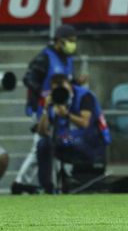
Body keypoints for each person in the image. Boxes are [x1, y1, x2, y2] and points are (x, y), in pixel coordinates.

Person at [11, 24, 85, 194]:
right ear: (59, 41)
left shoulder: (68, 59)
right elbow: (29, 78)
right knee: (40, 145)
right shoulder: (45, 57)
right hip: (42, 108)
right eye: (70, 41)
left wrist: (75, 84)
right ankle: (21, 182)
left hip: (60, 109)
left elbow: (64, 83)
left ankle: (60, 179)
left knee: (60, 144)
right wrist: (42, 94)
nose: (73, 45)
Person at [37, 74, 110, 194]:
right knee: (43, 143)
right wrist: (46, 109)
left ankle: (68, 176)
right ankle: (47, 187)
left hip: (91, 138)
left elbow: (85, 123)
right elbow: (42, 131)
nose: (61, 92)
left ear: (70, 86)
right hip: (66, 138)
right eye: (57, 90)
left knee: (65, 139)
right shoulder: (54, 100)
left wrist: (66, 115)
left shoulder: (84, 96)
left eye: (63, 89)